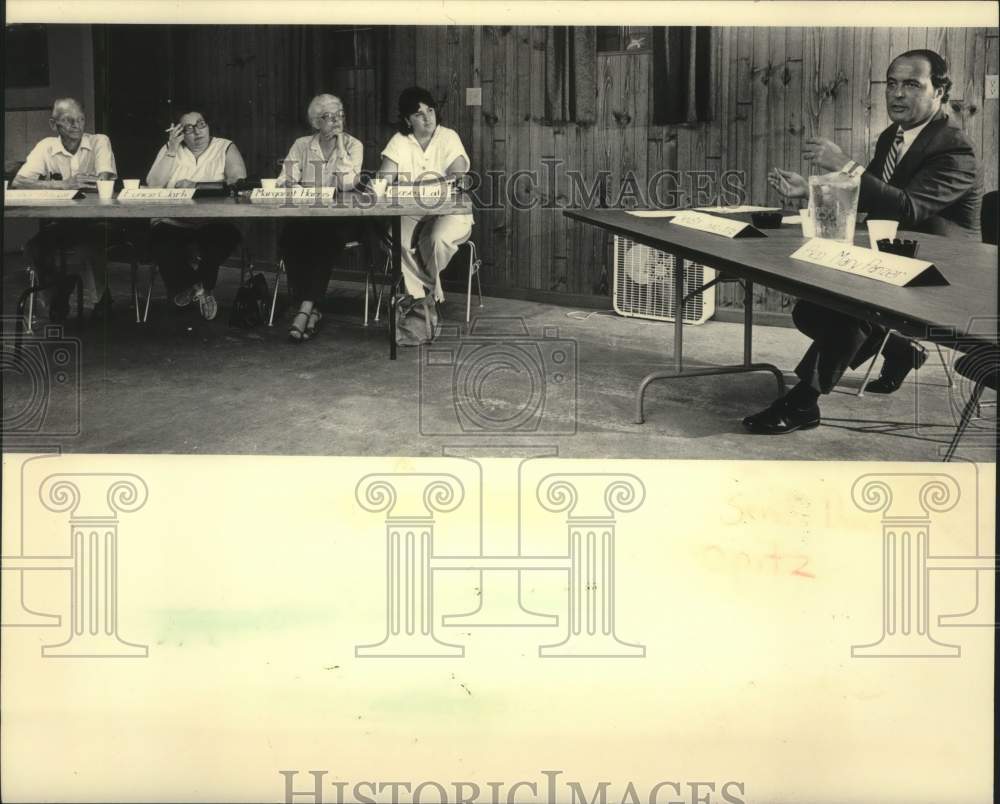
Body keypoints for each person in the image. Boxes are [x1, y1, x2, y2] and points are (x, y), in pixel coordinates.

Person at [743, 49, 983, 435]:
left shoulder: (955, 148)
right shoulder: (894, 136)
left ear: (940, 91)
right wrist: (810, 190)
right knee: (809, 311)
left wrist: (843, 164)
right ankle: (902, 352)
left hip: (944, 269)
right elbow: (866, 195)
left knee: (849, 310)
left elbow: (908, 207)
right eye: (891, 84)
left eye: (911, 84)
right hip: (894, 254)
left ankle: (803, 402)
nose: (897, 94)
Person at [378, 86, 473, 344]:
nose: (428, 118)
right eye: (419, 114)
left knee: (437, 240)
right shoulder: (400, 141)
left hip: (450, 212)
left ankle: (422, 296)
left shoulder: (448, 136)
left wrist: (424, 183)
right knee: (395, 238)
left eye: (430, 111)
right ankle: (428, 299)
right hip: (411, 211)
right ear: (408, 119)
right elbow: (383, 179)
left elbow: (459, 171)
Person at [13, 97, 118, 320]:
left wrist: (89, 182)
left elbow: (104, 178)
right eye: (69, 121)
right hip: (63, 221)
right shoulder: (46, 147)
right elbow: (19, 181)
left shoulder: (99, 141)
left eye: (81, 120)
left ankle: (101, 299)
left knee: (89, 245)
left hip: (97, 219)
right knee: (34, 248)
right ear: (54, 124)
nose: (77, 126)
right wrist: (63, 184)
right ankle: (58, 294)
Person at [276, 94, 364, 342]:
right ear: (315, 122)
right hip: (306, 215)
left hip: (339, 218)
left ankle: (304, 309)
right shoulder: (302, 145)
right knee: (288, 239)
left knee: (324, 241)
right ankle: (310, 308)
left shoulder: (353, 145)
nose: (337, 121)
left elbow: (347, 184)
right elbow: (285, 180)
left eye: (341, 114)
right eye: (329, 116)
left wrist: (340, 150)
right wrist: (297, 187)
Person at [145, 110, 247, 320]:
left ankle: (192, 287)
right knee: (161, 241)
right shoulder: (171, 149)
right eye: (189, 129)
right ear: (180, 133)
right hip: (173, 220)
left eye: (201, 125)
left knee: (221, 238)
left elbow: (238, 181)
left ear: (208, 125)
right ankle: (201, 287)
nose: (197, 132)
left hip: (213, 220)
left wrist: (197, 186)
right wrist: (172, 149)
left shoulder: (225, 147)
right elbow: (153, 184)